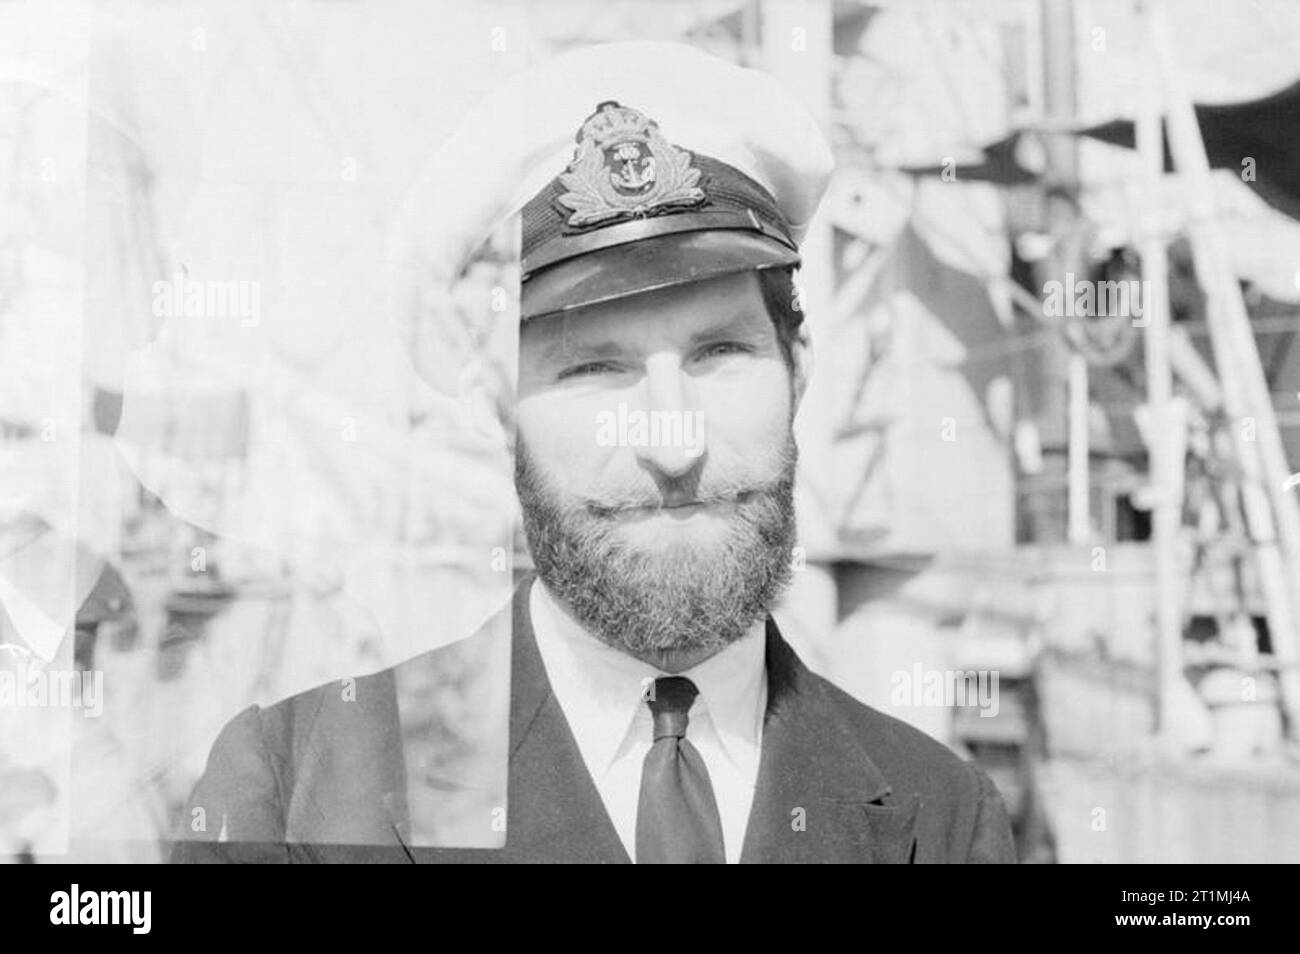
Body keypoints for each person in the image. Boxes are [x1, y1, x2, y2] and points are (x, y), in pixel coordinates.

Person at [172, 41, 1016, 864]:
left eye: (719, 353)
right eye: (594, 369)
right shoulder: (294, 799)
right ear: (497, 406)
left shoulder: (942, 819)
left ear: (799, 368)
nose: (671, 440)